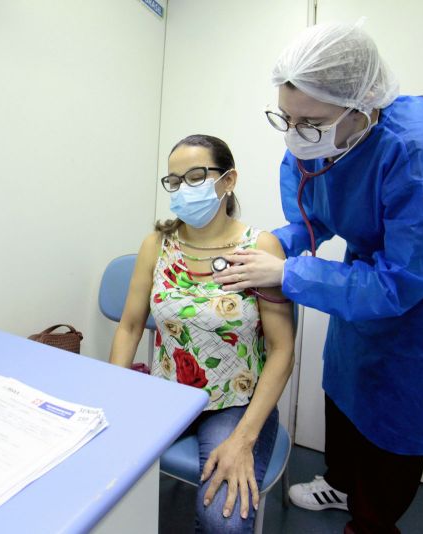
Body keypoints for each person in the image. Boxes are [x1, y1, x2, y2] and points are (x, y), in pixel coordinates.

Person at [212, 20, 423, 534]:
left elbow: (400, 283)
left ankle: (373, 522)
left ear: (362, 105)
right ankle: (342, 483)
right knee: (348, 381)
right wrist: (260, 248)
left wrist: (289, 274)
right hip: (368, 272)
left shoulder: (422, 152)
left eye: (309, 121)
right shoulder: (319, 136)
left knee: (398, 417)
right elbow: (313, 219)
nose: (295, 134)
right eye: (285, 117)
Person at [109, 134, 295, 533]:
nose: (182, 189)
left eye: (195, 176)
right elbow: (129, 326)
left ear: (228, 181)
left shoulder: (260, 246)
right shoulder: (157, 245)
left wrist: (244, 439)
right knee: (94, 462)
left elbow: (282, 350)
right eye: (174, 182)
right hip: (167, 390)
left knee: (222, 520)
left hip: (235, 400)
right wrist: (116, 392)